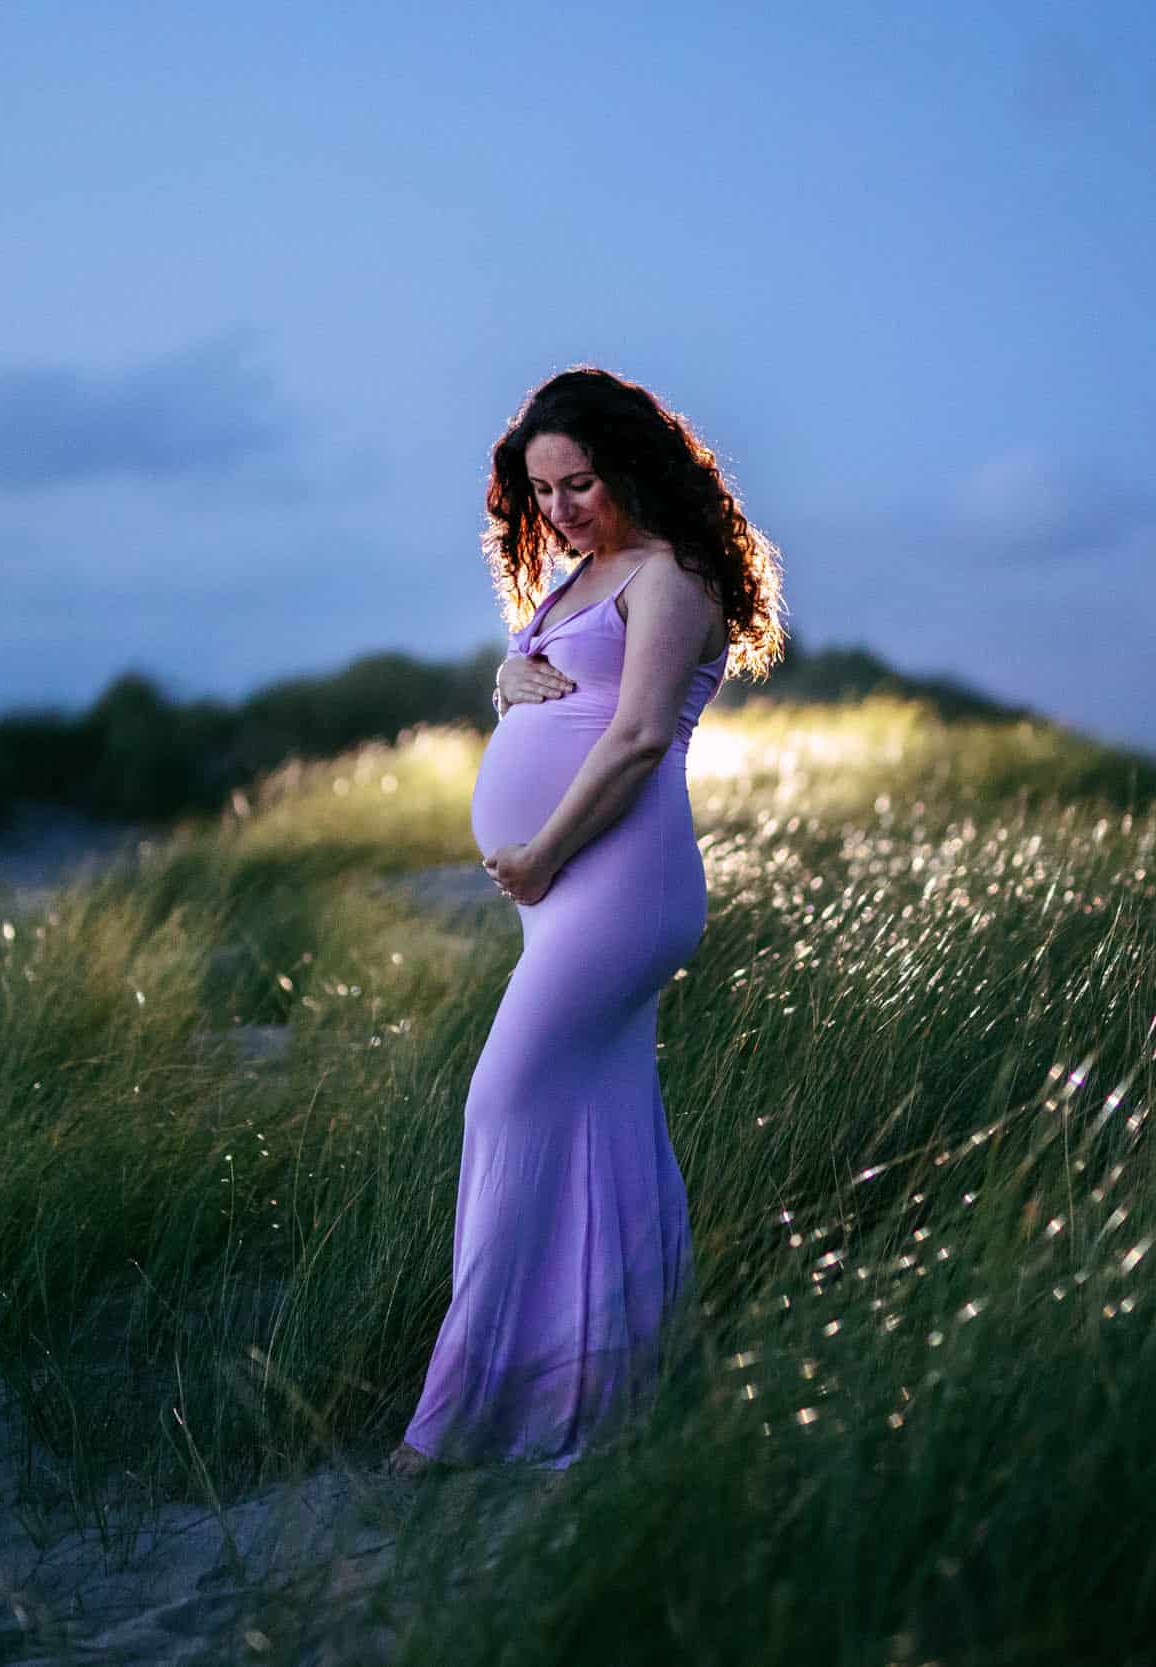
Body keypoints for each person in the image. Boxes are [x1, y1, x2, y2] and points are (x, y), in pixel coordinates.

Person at [387, 366, 786, 1478]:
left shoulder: (669, 576)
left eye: (580, 481)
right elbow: (543, 690)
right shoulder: (580, 578)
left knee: (503, 1105)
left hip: (615, 886)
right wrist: (510, 691)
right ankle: (623, 1397)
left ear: (635, 465)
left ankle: (458, 1419)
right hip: (563, 894)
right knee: (606, 1134)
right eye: (542, 489)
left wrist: (543, 851)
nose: (561, 506)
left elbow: (640, 734)